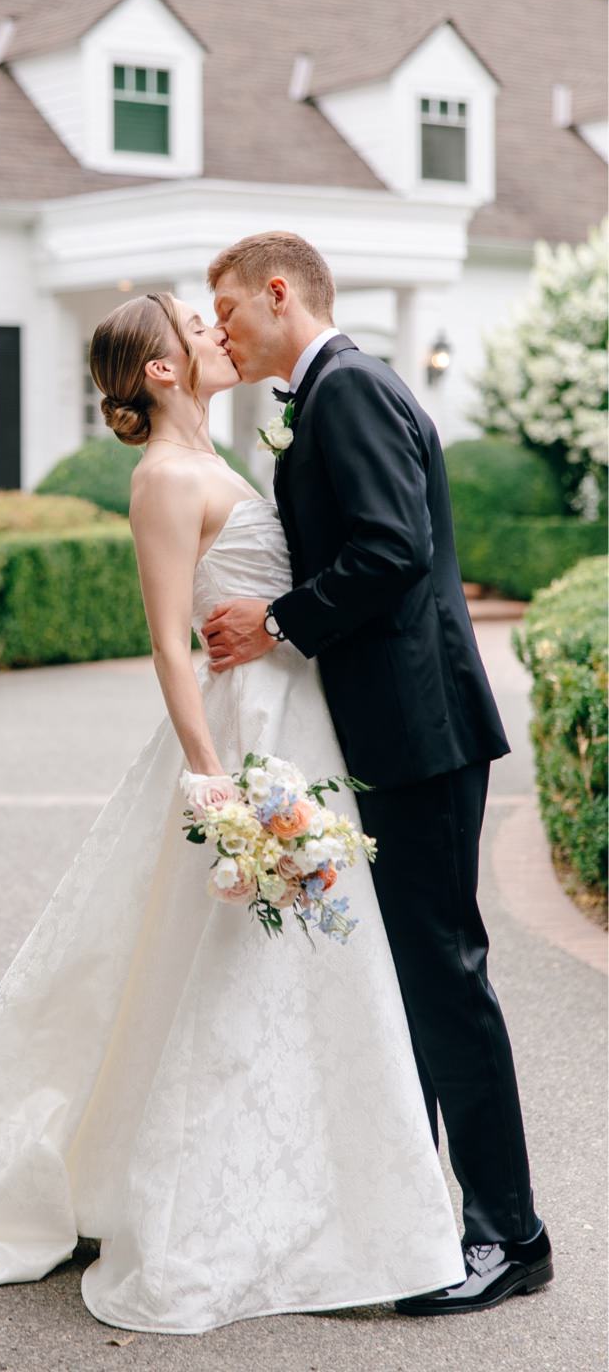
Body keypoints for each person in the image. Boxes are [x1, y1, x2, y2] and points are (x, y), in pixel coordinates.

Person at [0, 289, 466, 1334]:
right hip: (242, 738)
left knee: (301, 964)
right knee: (228, 965)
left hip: (298, 724)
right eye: (193, 326)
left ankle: (327, 1199)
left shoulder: (221, 460)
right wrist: (210, 775)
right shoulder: (163, 478)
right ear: (162, 369)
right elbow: (168, 640)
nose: (216, 333)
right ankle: (220, 1202)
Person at [200, 231, 546, 1314]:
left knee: (442, 977)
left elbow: (390, 547)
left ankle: (509, 1232)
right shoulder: (333, 390)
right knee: (405, 984)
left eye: (227, 310)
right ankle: (414, 1223)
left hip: (419, 726)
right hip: (390, 727)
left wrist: (276, 620)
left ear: (277, 293)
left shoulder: (346, 389)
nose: (219, 331)